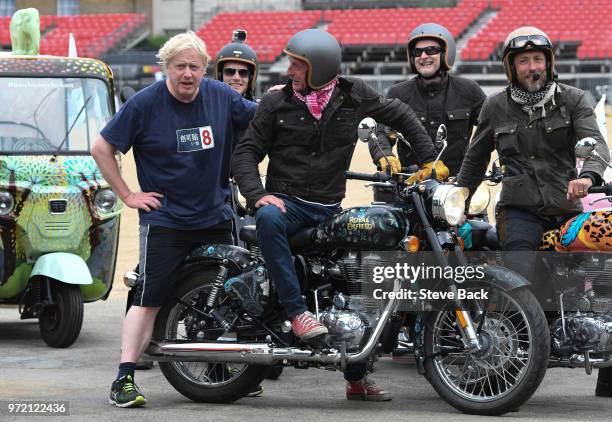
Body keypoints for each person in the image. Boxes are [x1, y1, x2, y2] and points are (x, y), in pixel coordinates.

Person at [232, 28, 448, 401]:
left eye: (297, 65)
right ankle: (297, 313)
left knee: (361, 276)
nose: (289, 71)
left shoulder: (353, 94)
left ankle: (356, 375)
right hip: (288, 205)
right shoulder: (275, 103)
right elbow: (245, 153)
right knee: (268, 219)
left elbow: (401, 114)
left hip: (330, 207)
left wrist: (430, 161)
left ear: (318, 69)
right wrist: (258, 196)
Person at [92, 31, 256, 408]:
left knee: (227, 297)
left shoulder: (221, 95)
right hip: (166, 220)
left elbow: (259, 115)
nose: (187, 74)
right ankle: (124, 379)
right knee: (149, 298)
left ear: (204, 69)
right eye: (180, 66)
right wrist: (128, 194)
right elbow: (102, 147)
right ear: (166, 67)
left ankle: (227, 374)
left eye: (194, 67)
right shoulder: (146, 104)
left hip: (216, 215)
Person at [455, 26, 609, 396]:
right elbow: (474, 162)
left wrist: (587, 176)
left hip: (566, 209)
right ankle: (498, 366)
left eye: (537, 59)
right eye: (523, 61)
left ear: (548, 63)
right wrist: (457, 199)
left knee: (599, 277)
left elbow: (597, 146)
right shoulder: (495, 106)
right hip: (519, 210)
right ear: (512, 67)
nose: (532, 67)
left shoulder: (573, 100)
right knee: (518, 278)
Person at [369, 23, 486, 177]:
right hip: (410, 185)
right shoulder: (398, 92)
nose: (423, 56)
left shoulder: (469, 90)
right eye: (417, 52)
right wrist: (385, 155)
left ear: (446, 54)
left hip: (457, 186)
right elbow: (379, 131)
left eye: (431, 50)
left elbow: (493, 127)